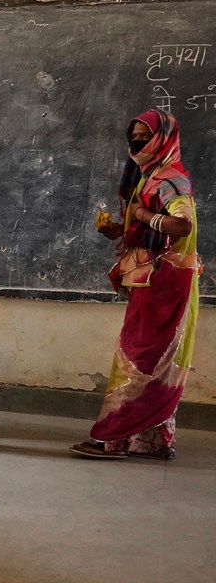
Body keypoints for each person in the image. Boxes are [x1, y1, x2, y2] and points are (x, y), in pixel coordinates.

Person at [70, 109, 199, 461]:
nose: (137, 141)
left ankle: (113, 439)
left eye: (146, 135)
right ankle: (153, 440)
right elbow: (152, 232)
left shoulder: (171, 180)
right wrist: (122, 230)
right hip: (152, 280)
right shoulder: (148, 175)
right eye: (135, 134)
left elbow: (181, 227)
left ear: (163, 139)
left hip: (167, 284)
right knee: (153, 359)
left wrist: (142, 216)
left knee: (139, 359)